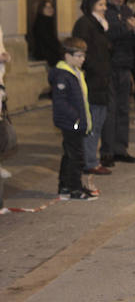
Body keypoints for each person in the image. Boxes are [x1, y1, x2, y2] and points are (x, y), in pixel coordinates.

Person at [103, 0, 135, 166]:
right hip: (109, 66)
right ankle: (107, 152)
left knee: (123, 109)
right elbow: (108, 35)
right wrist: (125, 27)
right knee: (109, 111)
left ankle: (121, 148)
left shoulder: (127, 11)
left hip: (126, 65)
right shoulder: (104, 11)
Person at [72, 0, 113, 176]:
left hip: (101, 81)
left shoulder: (100, 25)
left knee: (99, 122)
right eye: (100, 5)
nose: (104, 8)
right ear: (90, 6)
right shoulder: (85, 24)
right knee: (92, 124)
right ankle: (89, 161)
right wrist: (95, 70)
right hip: (92, 82)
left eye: (105, 4)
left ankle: (90, 159)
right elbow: (82, 53)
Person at [50, 37, 96, 200]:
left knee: (69, 154)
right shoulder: (63, 75)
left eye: (83, 56)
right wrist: (76, 118)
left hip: (77, 122)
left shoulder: (76, 73)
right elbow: (60, 102)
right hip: (70, 123)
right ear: (67, 56)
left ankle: (64, 186)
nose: (82, 59)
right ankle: (75, 188)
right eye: (78, 56)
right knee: (76, 156)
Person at [30, 0, 62, 66]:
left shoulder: (48, 21)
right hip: (44, 53)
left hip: (48, 52)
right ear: (41, 9)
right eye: (47, 8)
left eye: (51, 7)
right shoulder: (41, 22)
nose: (50, 9)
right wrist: (60, 49)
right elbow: (48, 40)